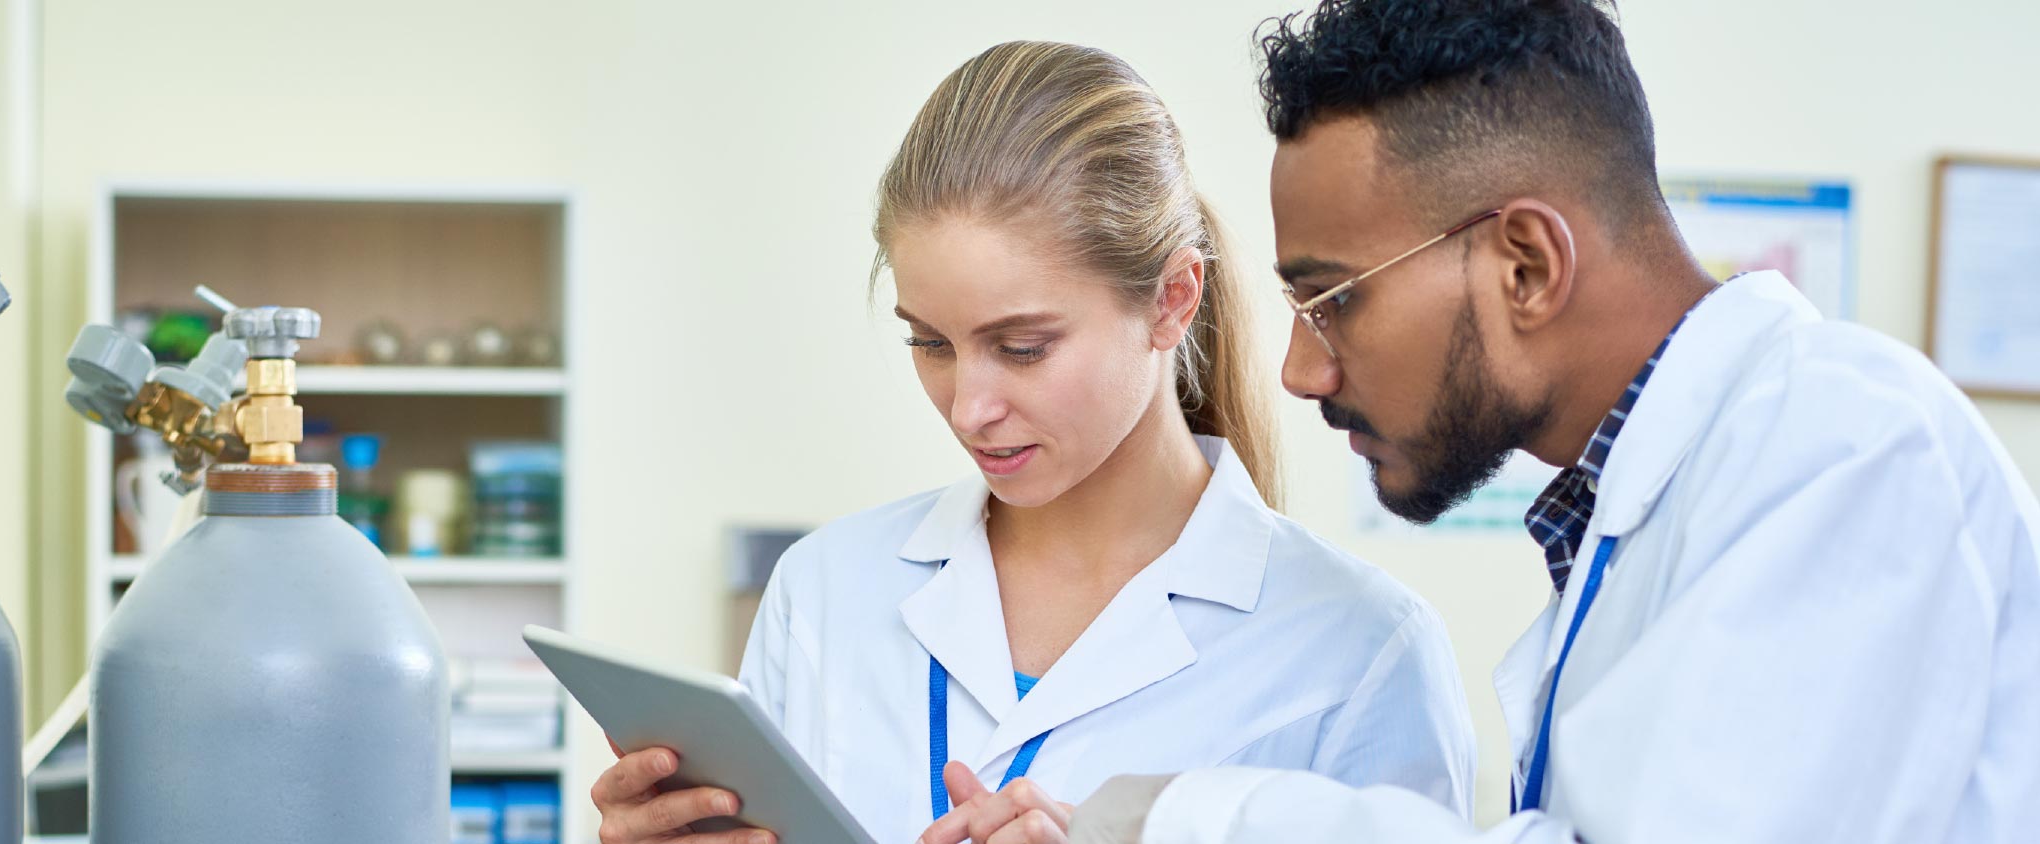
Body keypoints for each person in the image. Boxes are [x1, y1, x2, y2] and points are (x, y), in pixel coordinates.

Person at [943, 2, 2040, 842]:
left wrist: (1180, 813)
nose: (1299, 369)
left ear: (1525, 264)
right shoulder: (1646, 507)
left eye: (1331, 299)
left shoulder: (1847, 450)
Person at [586, 41, 1479, 844]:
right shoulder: (824, 594)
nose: (969, 408)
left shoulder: (1359, 652)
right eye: (929, 343)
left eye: (1022, 348)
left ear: (1172, 299)